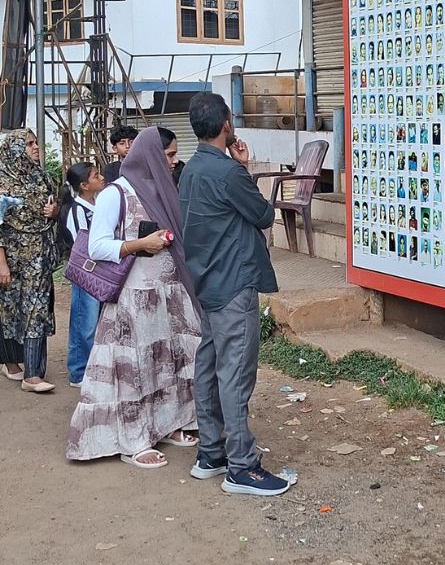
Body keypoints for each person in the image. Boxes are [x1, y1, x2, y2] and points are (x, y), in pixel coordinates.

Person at [67, 127, 200, 468]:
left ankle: (169, 424)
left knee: (168, 364)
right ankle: (134, 440)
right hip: (134, 299)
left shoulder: (163, 188)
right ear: (151, 155)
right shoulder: (116, 193)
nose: (174, 161)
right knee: (135, 371)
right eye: (169, 155)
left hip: (169, 295)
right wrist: (141, 244)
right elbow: (97, 247)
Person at [179, 92, 291, 496]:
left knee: (210, 364)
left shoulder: (191, 169)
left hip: (207, 280)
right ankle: (241, 466)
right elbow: (263, 214)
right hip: (233, 282)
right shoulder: (227, 172)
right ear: (226, 125)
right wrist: (243, 167)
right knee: (235, 371)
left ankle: (211, 453)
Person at [0, 130, 59, 391]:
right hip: (11, 260)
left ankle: (33, 374)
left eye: (35, 143)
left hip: (40, 258)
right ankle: (10, 363)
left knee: (37, 310)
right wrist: (1, 264)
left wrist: (53, 212)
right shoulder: (2, 182)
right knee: (9, 309)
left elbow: (52, 207)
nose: (36, 147)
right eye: (29, 144)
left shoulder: (41, 176)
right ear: (14, 150)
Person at [58, 162, 105, 387]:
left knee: (96, 321)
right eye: (96, 176)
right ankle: (78, 372)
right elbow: (81, 244)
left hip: (100, 272)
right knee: (83, 323)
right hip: (85, 274)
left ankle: (92, 367)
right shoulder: (77, 210)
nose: (101, 177)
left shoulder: (98, 204)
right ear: (85, 185)